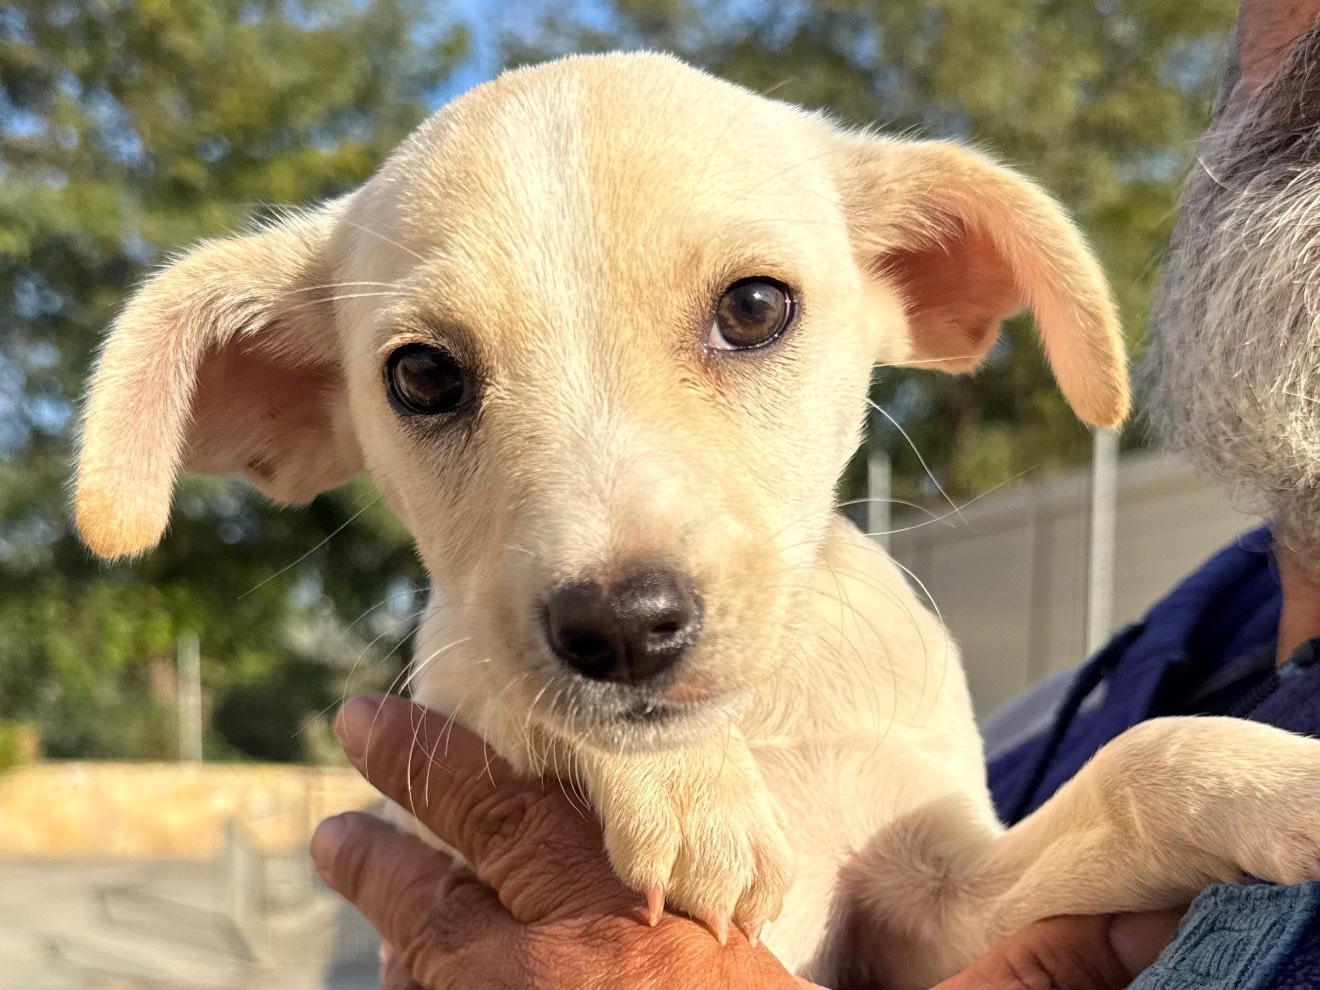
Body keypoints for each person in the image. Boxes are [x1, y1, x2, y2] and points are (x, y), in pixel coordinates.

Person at [311, 0, 1320, 985]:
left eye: (748, 315)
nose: (613, 580)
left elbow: (943, 908)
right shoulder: (1169, 652)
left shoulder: (899, 659)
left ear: (913, 273)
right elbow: (954, 943)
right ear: (303, 396)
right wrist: (578, 743)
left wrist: (1166, 797)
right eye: (433, 381)